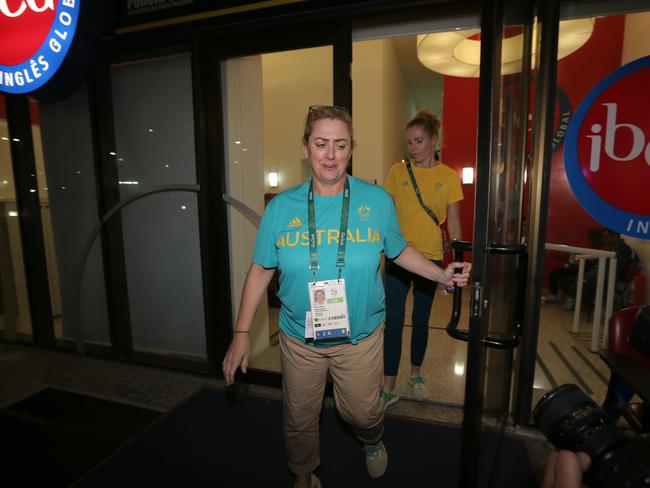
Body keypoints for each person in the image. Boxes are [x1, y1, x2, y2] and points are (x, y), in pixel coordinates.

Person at [222, 105, 471, 488]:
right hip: (299, 338)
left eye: (340, 145)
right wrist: (241, 334)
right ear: (306, 148)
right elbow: (260, 269)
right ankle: (302, 474)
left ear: (351, 148)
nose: (331, 155)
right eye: (321, 144)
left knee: (362, 413)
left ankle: (371, 438)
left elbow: (398, 249)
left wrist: (440, 274)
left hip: (361, 337)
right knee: (299, 416)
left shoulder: (376, 202)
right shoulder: (281, 207)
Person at [381, 108, 463, 408]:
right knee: (393, 321)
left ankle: (415, 374)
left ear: (433, 140)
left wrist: (458, 256)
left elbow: (453, 220)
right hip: (399, 258)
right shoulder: (397, 172)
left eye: (418, 141)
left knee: (421, 320)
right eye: (409, 142)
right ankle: (388, 384)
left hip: (430, 260)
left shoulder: (449, 176)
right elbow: (387, 213)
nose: (412, 147)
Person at [543, 228, 603, 309]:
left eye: (589, 238)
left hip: (585, 271)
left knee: (559, 276)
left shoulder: (603, 250)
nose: (588, 240)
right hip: (578, 267)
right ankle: (556, 295)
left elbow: (593, 265)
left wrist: (585, 259)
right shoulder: (593, 247)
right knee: (554, 274)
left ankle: (566, 297)